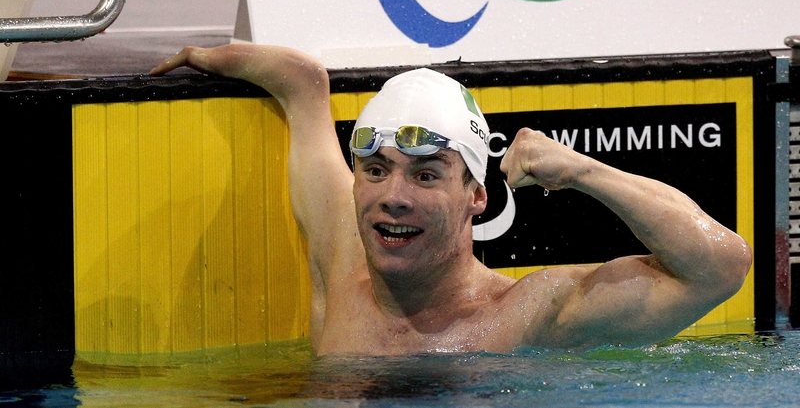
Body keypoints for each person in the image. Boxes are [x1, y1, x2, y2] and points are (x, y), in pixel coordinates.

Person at [151, 45, 752, 355]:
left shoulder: (528, 316)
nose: (393, 198)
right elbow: (302, 89)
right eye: (377, 170)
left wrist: (582, 170)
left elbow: (721, 266)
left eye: (427, 176)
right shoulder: (344, 248)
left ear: (476, 197)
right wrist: (208, 54)